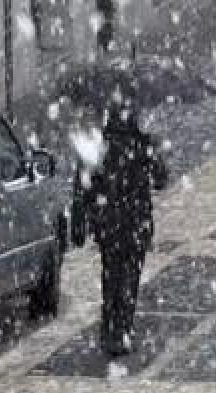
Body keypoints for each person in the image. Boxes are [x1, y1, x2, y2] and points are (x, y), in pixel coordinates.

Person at [74, 103, 166, 357]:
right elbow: (161, 180)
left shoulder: (99, 145)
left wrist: (80, 220)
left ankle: (110, 328)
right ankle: (121, 328)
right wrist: (153, 151)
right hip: (135, 223)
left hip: (108, 225)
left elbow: (82, 187)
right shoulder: (142, 145)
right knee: (129, 279)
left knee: (111, 276)